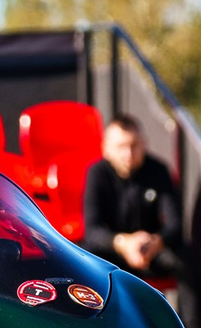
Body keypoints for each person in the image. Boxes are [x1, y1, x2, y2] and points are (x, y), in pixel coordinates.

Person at [83, 115, 195, 291]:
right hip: (113, 252)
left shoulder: (159, 170)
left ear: (144, 144)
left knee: (187, 257)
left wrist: (155, 242)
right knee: (85, 258)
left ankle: (188, 319)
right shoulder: (97, 174)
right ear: (106, 148)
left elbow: (175, 224)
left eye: (133, 145)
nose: (128, 153)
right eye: (121, 146)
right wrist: (123, 243)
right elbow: (93, 231)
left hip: (151, 251)